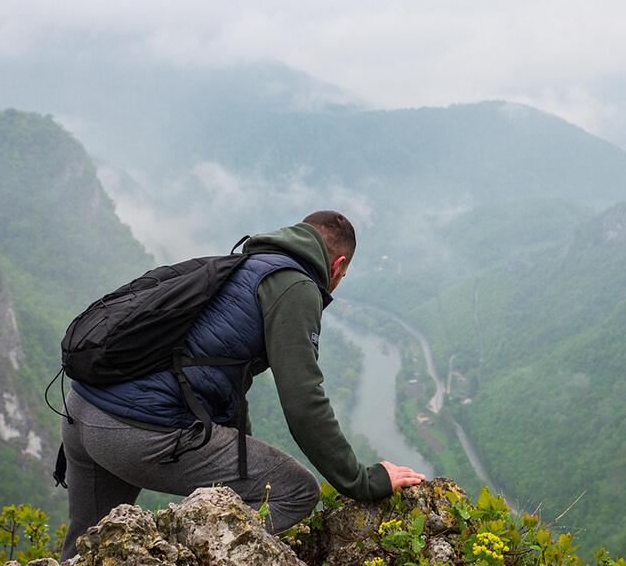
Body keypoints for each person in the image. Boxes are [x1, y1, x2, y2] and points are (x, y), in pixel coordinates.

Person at [58, 210, 425, 561]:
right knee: (296, 491)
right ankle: (182, 555)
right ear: (338, 266)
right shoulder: (296, 287)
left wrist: (238, 462)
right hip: (136, 433)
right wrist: (361, 481)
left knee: (85, 545)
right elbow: (304, 403)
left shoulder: (245, 264)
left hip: (80, 411)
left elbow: (228, 387)